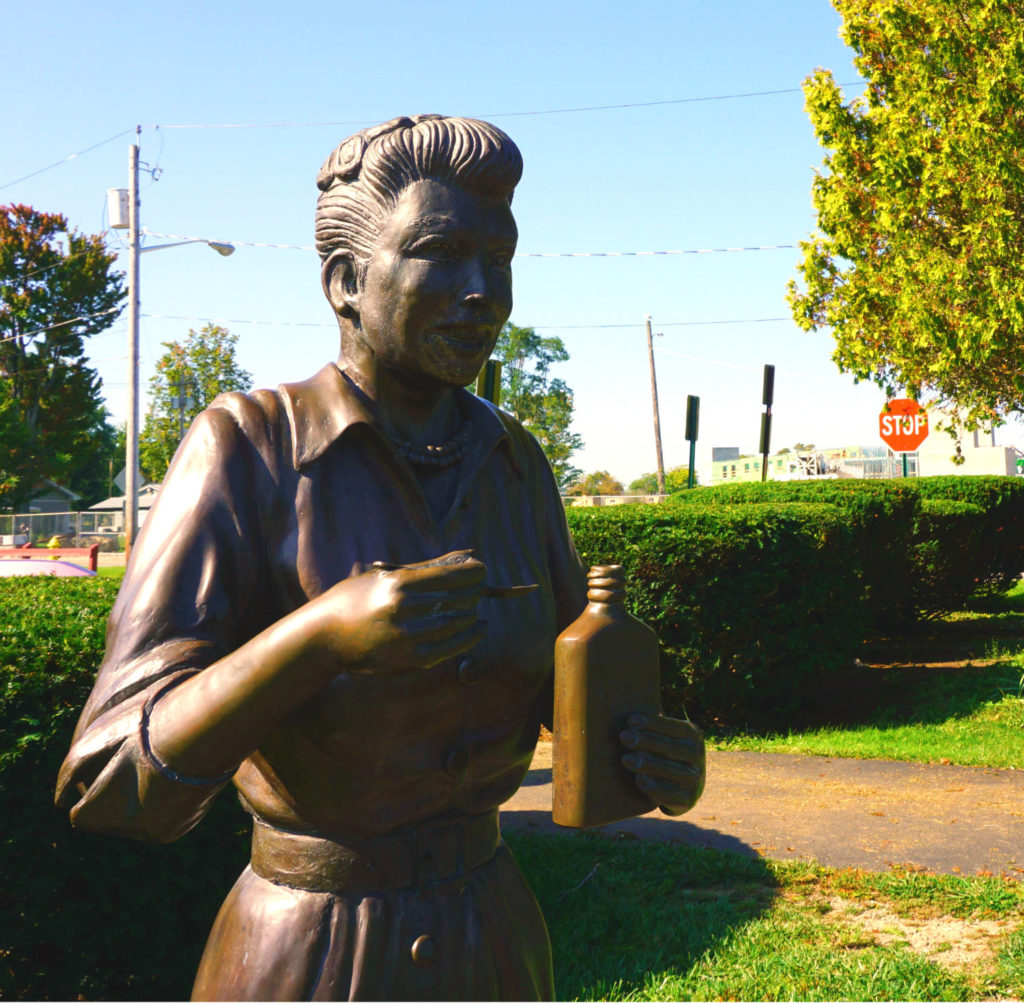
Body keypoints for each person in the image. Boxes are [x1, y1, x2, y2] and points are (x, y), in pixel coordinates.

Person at [56, 115, 705, 1001]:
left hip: (494, 943)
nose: (485, 292)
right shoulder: (248, 449)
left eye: (501, 259)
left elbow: (567, 685)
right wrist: (316, 638)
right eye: (442, 252)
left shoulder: (514, 463)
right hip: (304, 953)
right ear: (347, 281)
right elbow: (108, 782)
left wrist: (652, 752)